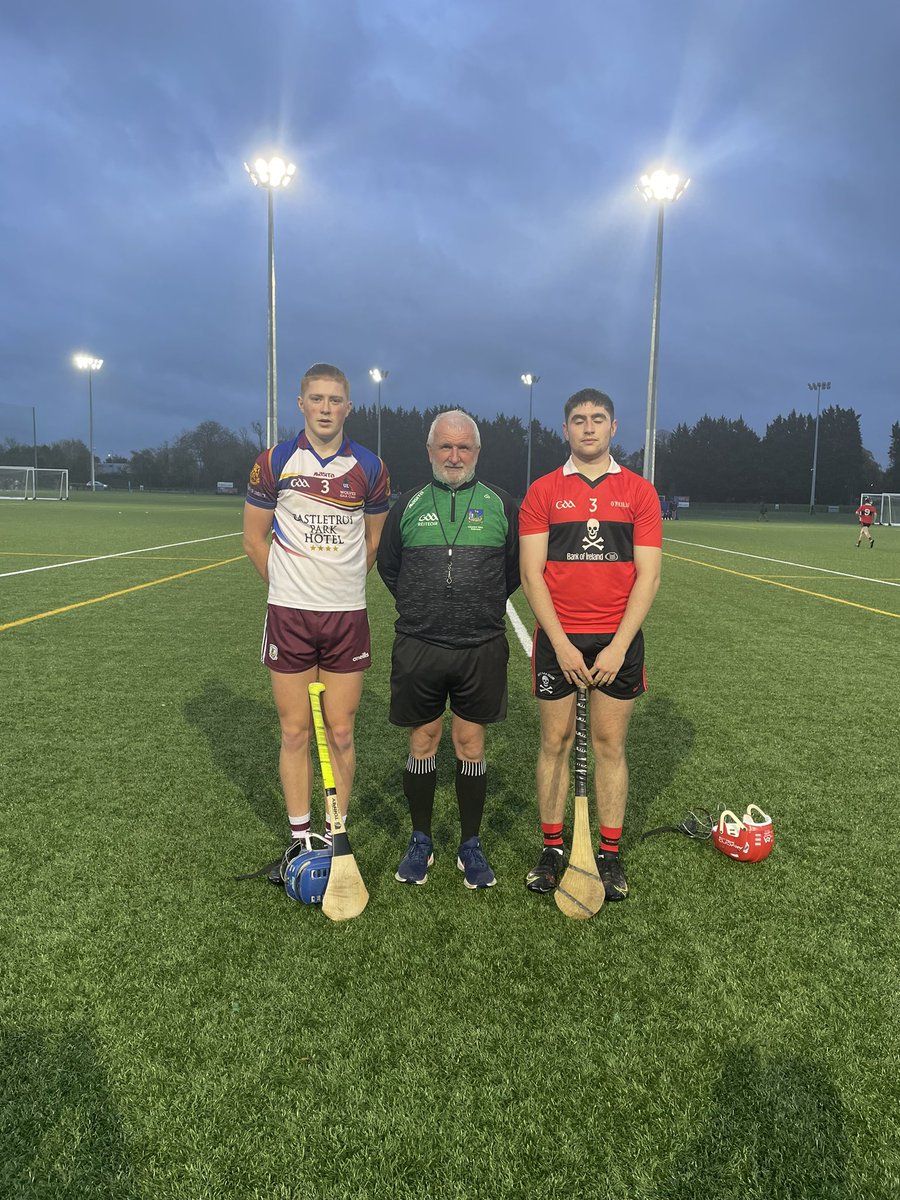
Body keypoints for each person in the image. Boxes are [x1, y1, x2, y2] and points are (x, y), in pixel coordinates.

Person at [243, 363, 390, 881]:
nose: (326, 408)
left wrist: (338, 585)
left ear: (349, 408)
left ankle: (333, 835)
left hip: (347, 616)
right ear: (301, 404)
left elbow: (371, 543)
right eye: (317, 399)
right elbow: (253, 539)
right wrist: (288, 587)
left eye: (335, 400)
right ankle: (300, 837)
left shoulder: (370, 467)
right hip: (289, 616)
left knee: (342, 731)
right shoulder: (275, 461)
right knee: (294, 731)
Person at [519, 388, 662, 901]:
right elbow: (531, 574)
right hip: (560, 636)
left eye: (597, 419)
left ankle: (609, 853)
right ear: (565, 430)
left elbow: (647, 577)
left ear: (613, 428)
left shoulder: (640, 493)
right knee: (554, 743)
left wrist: (620, 646)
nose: (588, 427)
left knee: (609, 745)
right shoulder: (542, 492)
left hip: (616, 640)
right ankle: (554, 848)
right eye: (578, 419)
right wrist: (559, 643)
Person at [377, 411, 519, 889]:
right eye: (445, 447)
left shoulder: (501, 504)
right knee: (423, 741)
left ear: (476, 453)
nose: (454, 456)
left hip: (480, 646)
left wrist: (476, 605)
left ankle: (469, 844)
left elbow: (514, 571)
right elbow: (389, 566)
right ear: (430, 451)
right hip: (420, 644)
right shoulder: (409, 505)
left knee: (470, 744)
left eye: (464, 448)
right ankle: (421, 839)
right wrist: (425, 607)